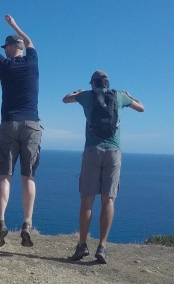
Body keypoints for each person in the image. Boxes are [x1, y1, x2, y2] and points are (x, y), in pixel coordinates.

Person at [62, 71, 145, 263]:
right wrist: (130, 96)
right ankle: (102, 246)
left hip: (92, 151)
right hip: (114, 153)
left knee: (87, 201)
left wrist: (77, 91)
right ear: (108, 83)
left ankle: (82, 245)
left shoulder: (86, 96)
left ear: (93, 83)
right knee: (108, 201)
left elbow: (65, 99)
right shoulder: (119, 96)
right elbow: (141, 108)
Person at [0, 14, 41, 248]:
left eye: (6, 47)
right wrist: (15, 25)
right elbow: (30, 42)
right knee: (28, 177)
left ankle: (0, 222)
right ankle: (27, 224)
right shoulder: (32, 61)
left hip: (8, 124)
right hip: (32, 125)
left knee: (4, 176)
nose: (4, 50)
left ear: (9, 48)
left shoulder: (4, 65)